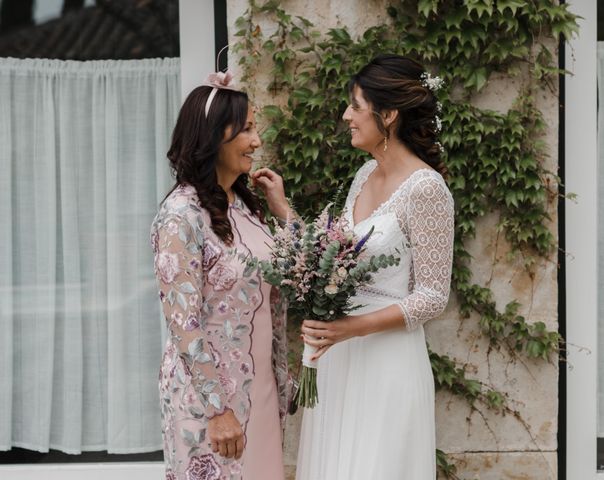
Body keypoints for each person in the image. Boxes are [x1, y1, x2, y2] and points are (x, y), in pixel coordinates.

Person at [295, 54, 455, 479]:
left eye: (355, 105)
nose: (346, 115)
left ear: (388, 114)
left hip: (386, 362)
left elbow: (433, 296)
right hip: (339, 361)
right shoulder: (364, 174)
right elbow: (337, 253)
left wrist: (351, 329)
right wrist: (282, 210)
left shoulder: (426, 189)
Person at [150, 70, 293, 480]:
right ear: (214, 137)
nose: (257, 141)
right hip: (210, 402)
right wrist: (216, 409)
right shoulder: (180, 216)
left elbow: (302, 270)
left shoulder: (248, 207)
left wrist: (282, 211)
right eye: (246, 129)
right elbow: (183, 323)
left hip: (261, 391)